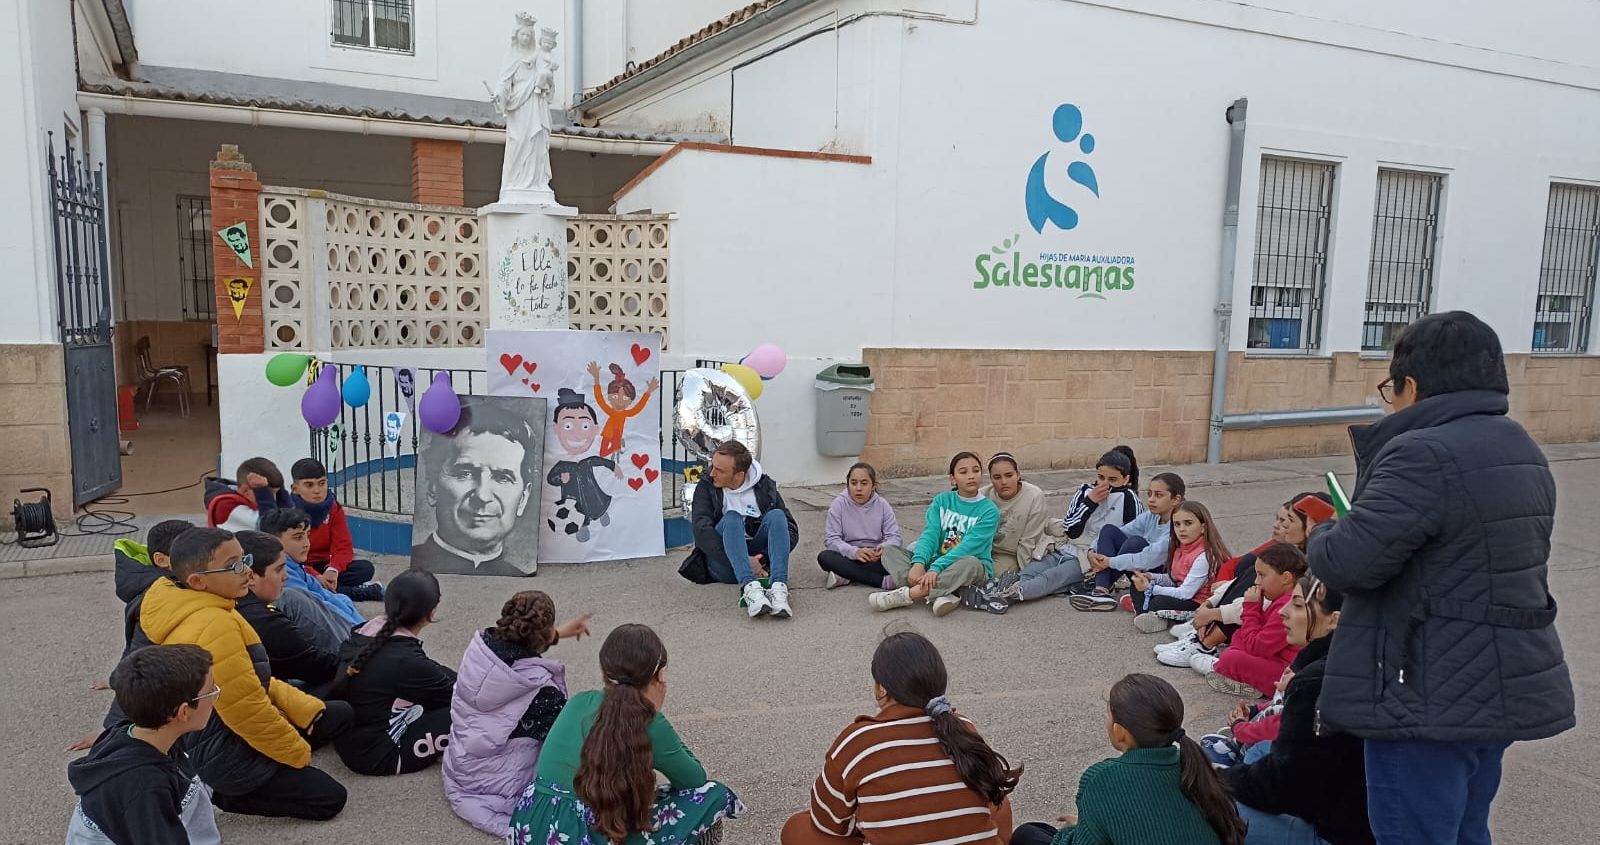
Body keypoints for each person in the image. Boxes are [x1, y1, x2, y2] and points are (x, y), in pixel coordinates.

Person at [1305, 311, 1573, 845]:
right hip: (1493, 684)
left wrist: (1324, 532)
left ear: (1413, 385)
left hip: (1425, 691)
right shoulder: (1519, 446)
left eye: (1390, 389)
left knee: (1414, 833)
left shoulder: (1422, 453)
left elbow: (1348, 563)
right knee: (1467, 829)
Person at [135, 527, 351, 820]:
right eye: (234, 565)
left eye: (244, 559)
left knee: (336, 714)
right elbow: (247, 711)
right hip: (226, 754)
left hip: (229, 731)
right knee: (330, 798)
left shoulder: (207, 603)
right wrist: (295, 753)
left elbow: (251, 680)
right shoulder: (214, 625)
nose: (247, 571)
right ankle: (218, 792)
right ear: (198, 581)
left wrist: (305, 709)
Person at [507, 624, 744, 845]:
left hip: (533, 825)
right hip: (587, 833)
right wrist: (655, 714)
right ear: (660, 674)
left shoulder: (578, 702)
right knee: (711, 796)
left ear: (605, 671)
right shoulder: (650, 721)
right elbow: (694, 780)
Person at [781, 631, 1020, 845]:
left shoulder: (857, 741)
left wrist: (871, 823)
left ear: (881, 688)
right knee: (999, 802)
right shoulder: (963, 726)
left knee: (797, 828)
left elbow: (827, 821)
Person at [1011, 674, 1246, 845]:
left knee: (1027, 835)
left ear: (1120, 732)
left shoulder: (1102, 778)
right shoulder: (1194, 765)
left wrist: (1078, 831)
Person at [1226, 576, 1374, 845]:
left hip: (1336, 833)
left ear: (1334, 620)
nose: (1283, 610)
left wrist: (1219, 779)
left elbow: (1284, 788)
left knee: (1209, 803)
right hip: (1356, 805)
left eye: (1296, 604)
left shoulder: (1316, 683)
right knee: (1260, 750)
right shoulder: (1366, 653)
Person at [445, 591, 592, 836]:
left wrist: (558, 634)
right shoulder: (540, 690)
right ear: (543, 634)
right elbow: (565, 741)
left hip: (462, 765)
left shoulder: (480, 654)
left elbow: (519, 642)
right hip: (496, 786)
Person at [65, 644, 222, 845]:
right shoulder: (145, 789)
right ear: (183, 712)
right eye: (211, 692)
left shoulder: (136, 732)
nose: (216, 694)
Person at [1157, 493, 1329, 667]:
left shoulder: (1307, 564)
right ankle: (1201, 631)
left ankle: (1205, 643)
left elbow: (1263, 602)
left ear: (1312, 525)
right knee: (1253, 567)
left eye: (1289, 520)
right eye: (1280, 519)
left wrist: (1214, 613)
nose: (1281, 525)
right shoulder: (1288, 548)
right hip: (1247, 613)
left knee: (1256, 581)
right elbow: (1239, 565)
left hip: (1269, 628)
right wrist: (1210, 603)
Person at [333, 568, 457, 776]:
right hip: (378, 755)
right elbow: (458, 695)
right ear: (431, 612)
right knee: (471, 711)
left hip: (351, 742)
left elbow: (431, 671)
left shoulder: (366, 631)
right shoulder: (404, 659)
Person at [411, 399, 541, 576]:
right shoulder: (417, 568)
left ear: (523, 499)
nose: (482, 495)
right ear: (432, 487)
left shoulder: (520, 576)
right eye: (464, 473)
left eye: (502, 477)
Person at [868, 451, 1001, 617]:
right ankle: (942, 593)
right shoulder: (942, 500)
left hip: (967, 567)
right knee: (889, 551)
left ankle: (909, 595)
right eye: (963, 472)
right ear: (953, 479)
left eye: (975, 470)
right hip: (934, 564)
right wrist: (919, 563)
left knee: (971, 563)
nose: (971, 476)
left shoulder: (989, 511)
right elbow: (931, 533)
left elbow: (969, 547)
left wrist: (936, 568)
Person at [683, 440, 800, 618]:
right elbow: (701, 532)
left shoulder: (764, 486)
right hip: (722, 563)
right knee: (731, 517)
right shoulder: (707, 486)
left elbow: (790, 529)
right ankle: (750, 588)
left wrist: (762, 559)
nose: (712, 473)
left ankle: (778, 588)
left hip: (758, 559)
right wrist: (745, 562)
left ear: (739, 475)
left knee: (777, 516)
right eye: (713, 466)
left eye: (720, 470)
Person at [1190, 543, 1306, 698]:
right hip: (1274, 657)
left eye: (1262, 575)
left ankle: (1220, 667)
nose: (1257, 581)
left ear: (1285, 578)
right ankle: (1239, 675)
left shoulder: (1288, 605)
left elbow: (1257, 647)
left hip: (1286, 673)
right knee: (1238, 637)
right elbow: (1255, 636)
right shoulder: (1281, 598)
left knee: (1232, 658)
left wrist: (1251, 607)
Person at [234, 531, 341, 690]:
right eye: (278, 570)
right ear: (250, 577)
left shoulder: (233, 602)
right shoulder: (266, 621)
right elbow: (319, 667)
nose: (285, 577)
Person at [1067, 472, 1188, 609]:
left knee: (1135, 543)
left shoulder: (1179, 526)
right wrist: (1091, 551)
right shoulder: (1151, 516)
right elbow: (1122, 532)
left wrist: (1109, 562)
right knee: (1109, 530)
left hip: (1162, 577)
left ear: (1175, 499)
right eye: (1149, 494)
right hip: (1142, 571)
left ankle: (1101, 586)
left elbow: (1148, 558)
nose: (1151, 500)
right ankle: (1101, 590)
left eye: (1158, 495)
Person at [1122, 501, 1230, 633]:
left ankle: (1158, 616)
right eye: (1177, 524)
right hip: (1182, 595)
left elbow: (1185, 593)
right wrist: (1151, 577)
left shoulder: (1205, 556)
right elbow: (1174, 579)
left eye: (1188, 523)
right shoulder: (1180, 548)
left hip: (1199, 604)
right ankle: (1148, 615)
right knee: (1138, 583)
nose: (1182, 529)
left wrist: (1151, 588)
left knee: (1158, 601)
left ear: (1203, 527)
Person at [289, 458, 383, 602]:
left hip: (326, 565)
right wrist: (315, 576)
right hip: (299, 567)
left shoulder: (333, 508)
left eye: (322, 483)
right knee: (294, 581)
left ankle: (328, 589)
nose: (317, 491)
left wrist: (333, 570)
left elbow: (343, 546)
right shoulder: (285, 513)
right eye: (309, 485)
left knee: (365, 569)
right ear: (294, 489)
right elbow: (288, 557)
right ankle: (355, 592)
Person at [260, 507, 365, 634]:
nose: (306, 544)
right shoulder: (284, 574)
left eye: (307, 536)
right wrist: (362, 631)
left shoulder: (296, 566)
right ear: (274, 541)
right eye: (298, 538)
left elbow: (326, 596)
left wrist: (363, 625)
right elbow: (320, 609)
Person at [545, 387, 622, 543]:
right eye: (568, 426)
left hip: (593, 493)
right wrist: (561, 479)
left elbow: (599, 461)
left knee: (598, 505)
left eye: (585, 426)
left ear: (595, 429)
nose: (577, 434)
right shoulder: (562, 464)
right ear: (556, 429)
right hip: (572, 498)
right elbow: (550, 478)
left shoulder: (587, 460)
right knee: (577, 513)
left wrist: (613, 466)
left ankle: (602, 513)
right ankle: (582, 527)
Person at [817, 462, 903, 590]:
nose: (858, 488)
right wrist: (854, 552)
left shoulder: (882, 505)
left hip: (876, 557)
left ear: (873, 485)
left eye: (864, 483)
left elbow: (895, 537)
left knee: (900, 560)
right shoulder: (838, 504)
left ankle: (845, 575)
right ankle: (882, 582)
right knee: (825, 557)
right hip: (849, 555)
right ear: (848, 484)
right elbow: (832, 540)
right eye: (853, 483)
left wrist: (882, 549)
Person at [112, 519, 193, 649]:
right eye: (190, 553)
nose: (201, 558)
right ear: (161, 560)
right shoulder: (160, 596)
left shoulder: (172, 582)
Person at [1060, 445, 1144, 554]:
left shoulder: (1129, 499)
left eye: (1112, 480)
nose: (1105, 484)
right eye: (1101, 477)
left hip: (1106, 558)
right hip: (1076, 549)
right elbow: (1071, 531)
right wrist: (1090, 502)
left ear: (1125, 479)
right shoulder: (1085, 490)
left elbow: (1134, 541)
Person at [588, 360, 660, 459]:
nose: (620, 402)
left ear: (630, 401)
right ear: (609, 397)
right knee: (603, 453)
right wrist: (596, 378)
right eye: (615, 397)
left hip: (618, 434)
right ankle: (615, 449)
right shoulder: (611, 411)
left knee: (612, 453)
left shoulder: (625, 413)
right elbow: (599, 399)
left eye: (625, 398)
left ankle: (615, 449)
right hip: (608, 433)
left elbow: (638, 408)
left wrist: (648, 391)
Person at [203, 457, 290, 533]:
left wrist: (281, 491)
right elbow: (271, 528)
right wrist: (263, 493)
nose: (273, 499)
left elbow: (291, 521)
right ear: (245, 491)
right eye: (269, 493)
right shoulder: (225, 505)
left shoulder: (250, 499)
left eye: (277, 494)